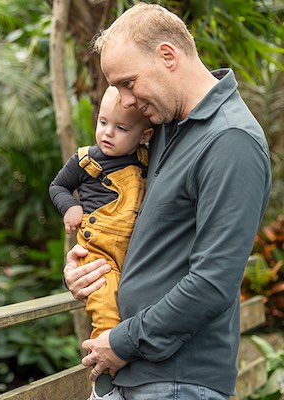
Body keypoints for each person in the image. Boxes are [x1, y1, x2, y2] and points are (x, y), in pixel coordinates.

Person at [63, 3, 271, 400]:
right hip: (126, 374)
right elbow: (134, 233)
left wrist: (122, 342)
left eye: (128, 82)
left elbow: (213, 282)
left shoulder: (231, 141)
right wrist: (86, 267)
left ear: (167, 56)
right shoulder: (161, 129)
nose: (124, 100)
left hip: (178, 381)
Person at [50, 86, 153, 399]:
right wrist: (71, 206)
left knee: (132, 304)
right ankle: (105, 373)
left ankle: (130, 367)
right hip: (98, 251)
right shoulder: (85, 160)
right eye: (103, 122)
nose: (107, 133)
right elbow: (58, 186)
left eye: (121, 128)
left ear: (145, 135)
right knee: (105, 304)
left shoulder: (147, 160)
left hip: (133, 250)